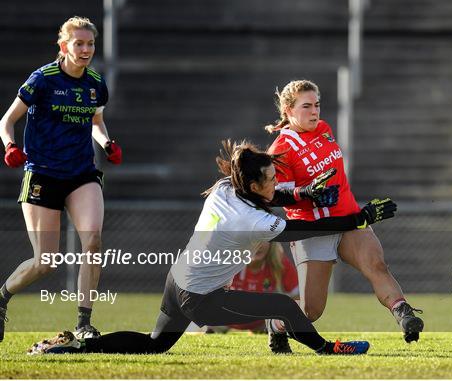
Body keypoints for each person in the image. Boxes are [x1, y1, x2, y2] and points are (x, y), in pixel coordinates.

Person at [27, 139, 396, 356]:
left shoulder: (225, 187)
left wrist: (302, 192)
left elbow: (276, 196)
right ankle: (328, 349)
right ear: (252, 185)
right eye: (269, 179)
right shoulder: (251, 221)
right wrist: (358, 219)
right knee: (283, 303)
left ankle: (77, 348)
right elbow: (307, 226)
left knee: (155, 345)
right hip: (199, 296)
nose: (276, 183)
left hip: (179, 279)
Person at [265, 79, 423, 347]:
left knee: (376, 265)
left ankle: (403, 313)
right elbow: (277, 196)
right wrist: (308, 193)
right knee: (311, 311)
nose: (315, 111)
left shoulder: (324, 129)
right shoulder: (281, 150)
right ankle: (277, 323)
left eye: (317, 104)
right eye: (306, 106)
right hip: (313, 231)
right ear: (289, 110)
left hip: (349, 220)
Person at [0, 16, 123, 342]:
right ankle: (2, 297)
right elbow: (6, 120)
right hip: (42, 173)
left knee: (93, 242)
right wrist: (10, 146)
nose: (86, 50)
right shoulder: (43, 79)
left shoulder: (95, 83)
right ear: (64, 46)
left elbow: (97, 122)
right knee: (46, 262)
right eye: (79, 43)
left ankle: (84, 322)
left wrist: (107, 143)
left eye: (90, 44)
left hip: (81, 173)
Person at [206, 241, 299, 333]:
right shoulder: (228, 260)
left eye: (264, 238)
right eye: (255, 238)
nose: (259, 245)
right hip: (224, 321)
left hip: (261, 323)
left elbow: (297, 296)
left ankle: (274, 334)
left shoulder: (279, 262)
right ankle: (210, 330)